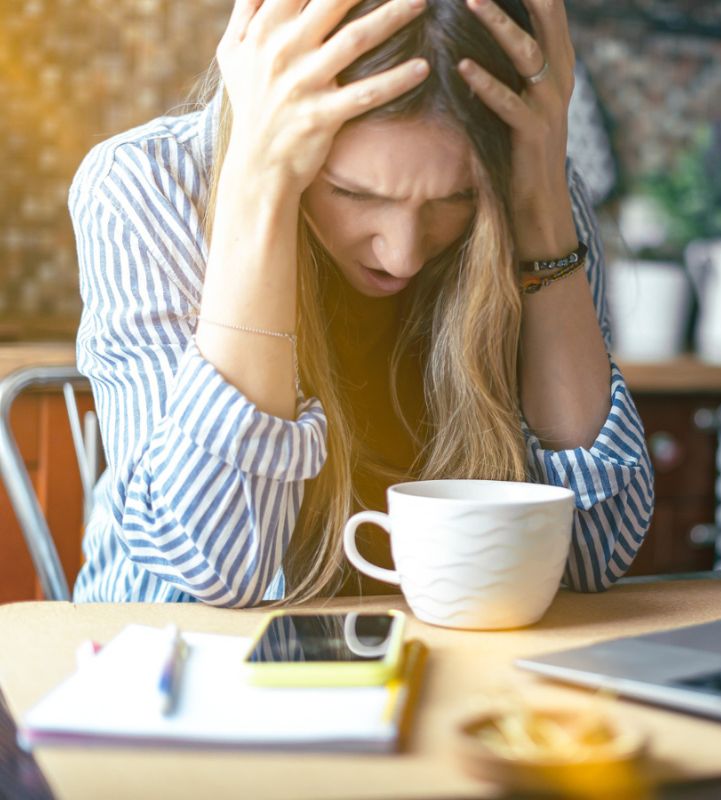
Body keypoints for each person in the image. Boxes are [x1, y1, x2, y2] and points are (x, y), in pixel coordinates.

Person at [69, 0, 654, 605]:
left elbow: (594, 552)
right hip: (175, 660)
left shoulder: (531, 185)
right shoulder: (147, 185)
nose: (402, 255)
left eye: (456, 198)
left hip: (443, 651)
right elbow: (216, 571)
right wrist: (259, 185)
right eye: (352, 192)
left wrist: (539, 212)